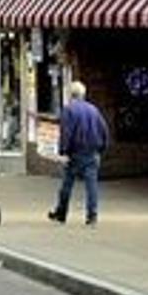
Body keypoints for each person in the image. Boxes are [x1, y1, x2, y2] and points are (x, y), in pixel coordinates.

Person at [47, 81, 109, 226]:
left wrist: (63, 151)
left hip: (75, 153)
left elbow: (66, 132)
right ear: (83, 94)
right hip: (92, 152)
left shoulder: (69, 110)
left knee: (67, 185)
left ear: (71, 94)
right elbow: (104, 130)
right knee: (91, 186)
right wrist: (102, 148)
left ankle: (61, 213)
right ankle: (92, 216)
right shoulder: (93, 110)